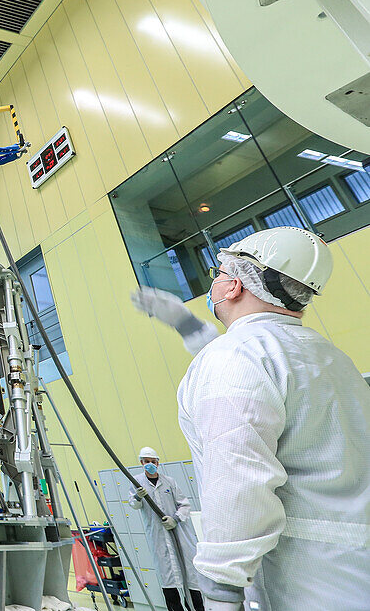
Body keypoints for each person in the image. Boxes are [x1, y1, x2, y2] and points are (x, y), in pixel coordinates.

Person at [133, 227, 370, 610]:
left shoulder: (235, 357)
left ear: (235, 287)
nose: (215, 284)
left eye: (218, 274)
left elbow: (239, 480)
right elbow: (259, 370)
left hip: (306, 585)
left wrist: (221, 590)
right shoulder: (331, 358)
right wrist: (187, 326)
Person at [127, 447, 204, 611]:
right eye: (146, 462)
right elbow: (134, 504)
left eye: (153, 462)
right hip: (158, 537)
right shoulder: (136, 482)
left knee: (189, 576)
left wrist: (175, 519)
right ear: (141, 463)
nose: (150, 464)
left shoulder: (169, 481)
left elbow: (184, 504)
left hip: (178, 534)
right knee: (168, 578)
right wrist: (137, 496)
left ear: (158, 463)